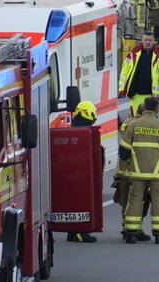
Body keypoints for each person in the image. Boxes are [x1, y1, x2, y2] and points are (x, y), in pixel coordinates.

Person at [119, 97, 159, 244]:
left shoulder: (133, 125)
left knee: (135, 200)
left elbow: (124, 151)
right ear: (157, 109)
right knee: (158, 200)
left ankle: (131, 233)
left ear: (144, 108)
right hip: (157, 173)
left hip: (137, 172)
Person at [67, 100, 101, 243]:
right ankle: (81, 232)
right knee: (83, 203)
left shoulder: (73, 128)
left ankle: (72, 232)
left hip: (71, 175)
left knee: (73, 202)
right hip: (81, 174)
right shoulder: (84, 132)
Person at [119, 31, 159, 116]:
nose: (148, 42)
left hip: (152, 95)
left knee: (151, 119)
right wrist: (122, 90)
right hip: (136, 94)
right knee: (136, 118)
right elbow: (124, 74)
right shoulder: (133, 55)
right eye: (146, 40)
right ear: (142, 41)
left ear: (153, 41)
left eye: (150, 40)